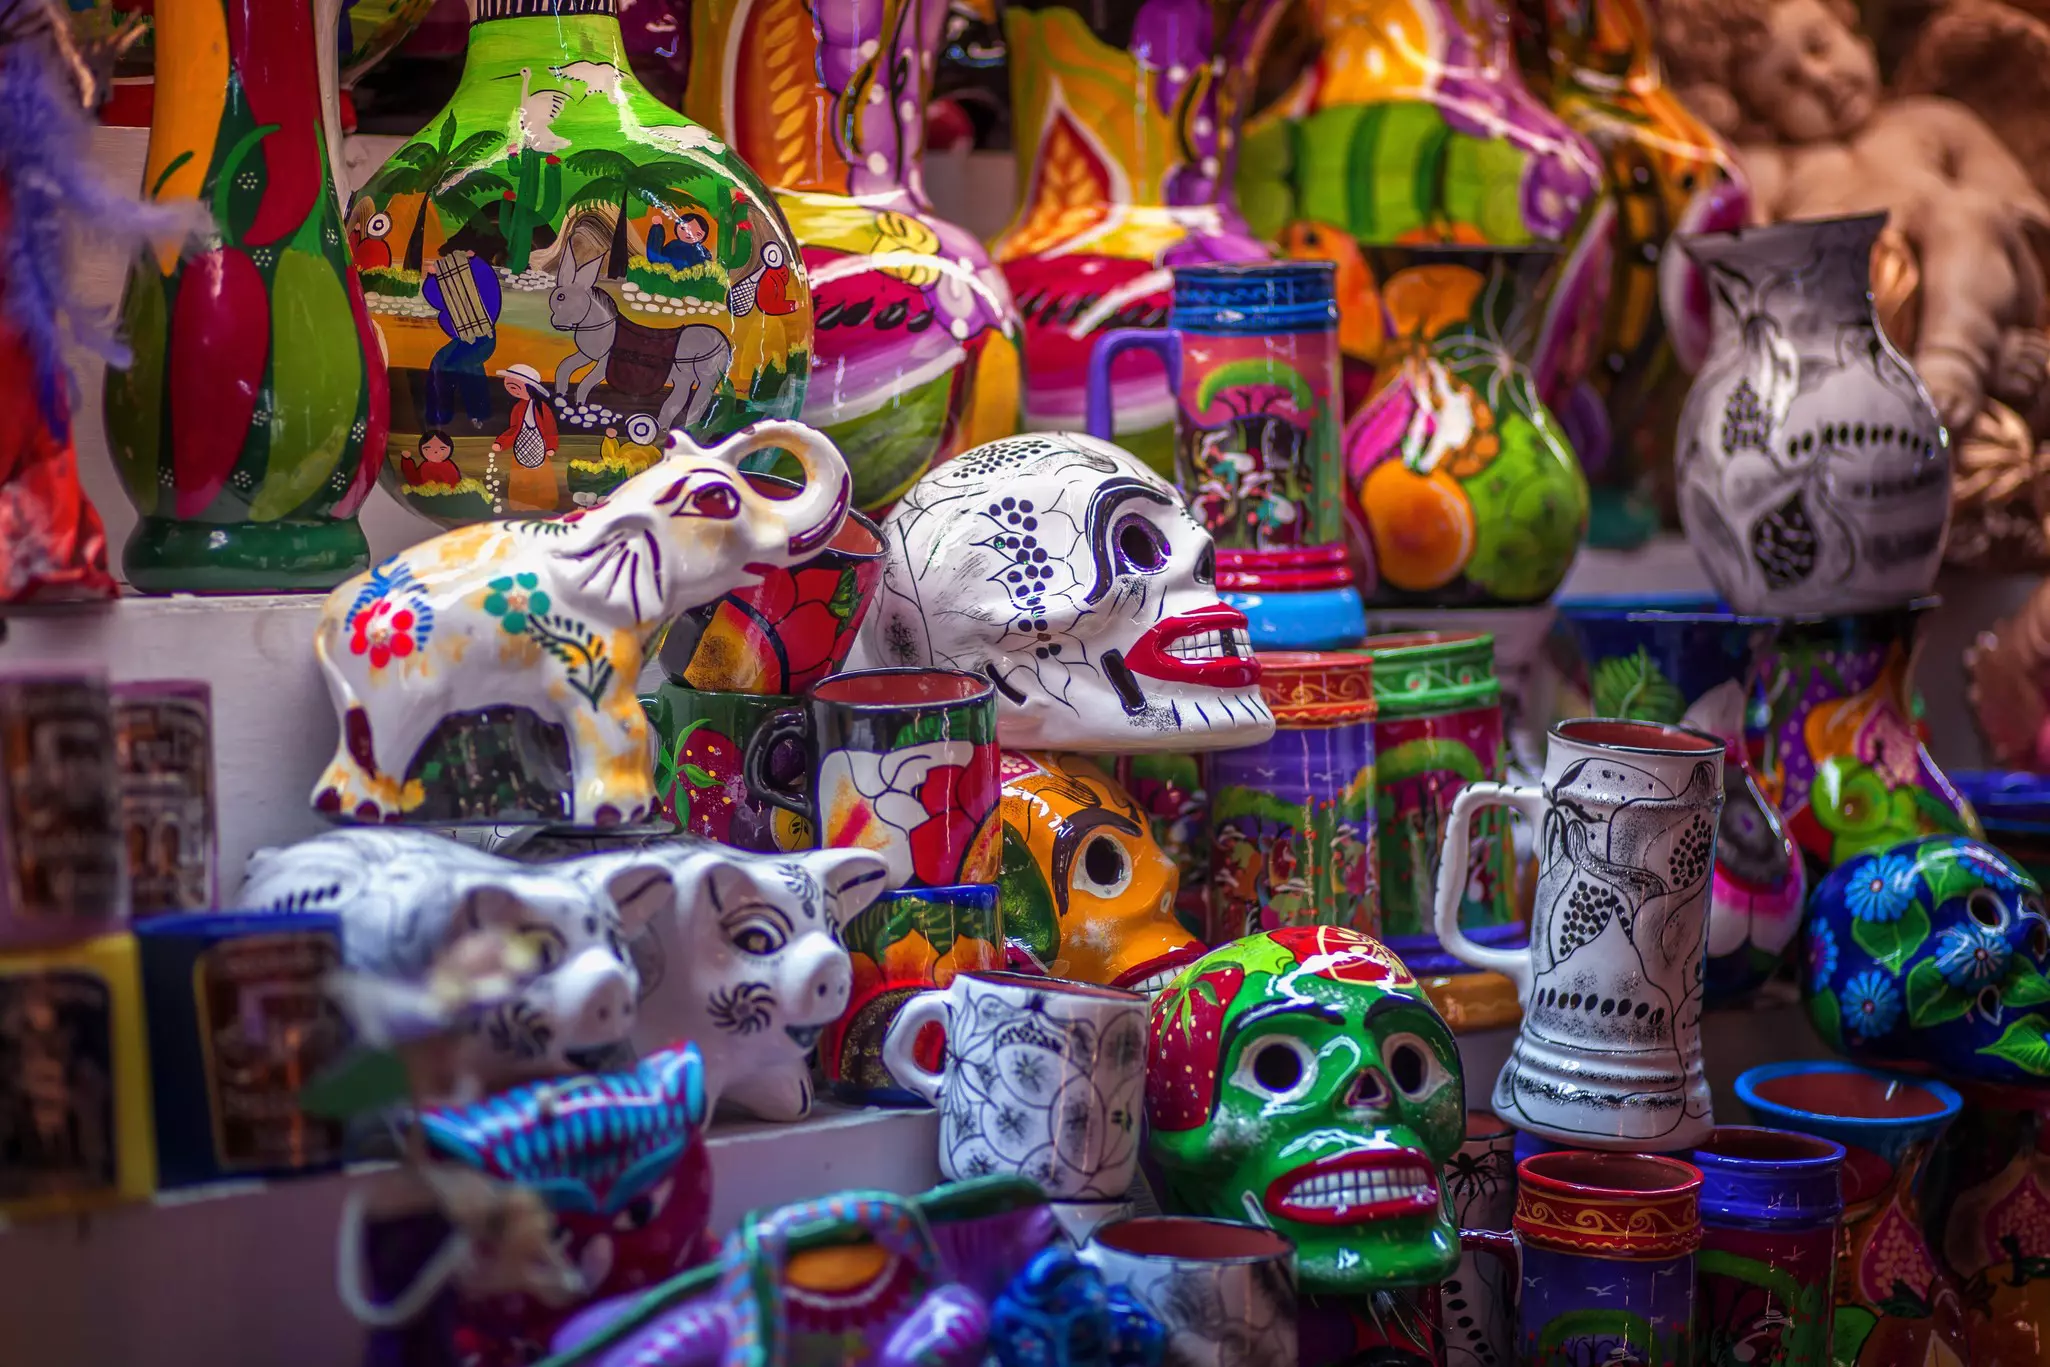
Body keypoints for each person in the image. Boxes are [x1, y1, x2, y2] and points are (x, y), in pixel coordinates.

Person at [490, 365, 559, 510]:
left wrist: (551, 446)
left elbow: (550, 429)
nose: (511, 390)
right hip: (521, 447)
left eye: (514, 387)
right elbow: (514, 429)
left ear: (529, 387)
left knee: (542, 477)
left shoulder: (542, 409)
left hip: (539, 447)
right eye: (509, 387)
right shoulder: (518, 408)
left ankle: (545, 504)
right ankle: (519, 504)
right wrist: (502, 442)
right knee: (520, 478)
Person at [645, 210, 712, 269]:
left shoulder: (700, 250)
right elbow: (657, 256)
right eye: (683, 229)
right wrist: (657, 228)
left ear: (703, 236)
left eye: (698, 234)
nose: (689, 234)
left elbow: (706, 261)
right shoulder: (673, 245)